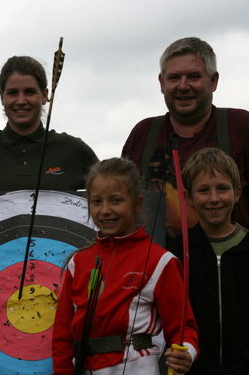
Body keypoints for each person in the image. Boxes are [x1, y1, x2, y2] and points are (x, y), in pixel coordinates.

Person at [122, 37, 249, 261]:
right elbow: (123, 207)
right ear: (161, 83)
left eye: (194, 76)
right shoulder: (143, 134)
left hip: (233, 275)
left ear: (213, 81)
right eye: (174, 77)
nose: (183, 86)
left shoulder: (242, 126)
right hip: (155, 282)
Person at [52, 158, 198, 375]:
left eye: (116, 200)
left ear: (137, 204)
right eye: (97, 201)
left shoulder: (161, 261)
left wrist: (185, 352)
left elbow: (182, 327)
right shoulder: (78, 262)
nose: (105, 210)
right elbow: (62, 336)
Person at [167, 147, 249, 374]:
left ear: (237, 193)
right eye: (203, 190)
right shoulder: (178, 253)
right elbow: (174, 326)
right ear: (188, 197)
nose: (214, 199)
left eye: (222, 188)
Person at [0, 55, 98, 191]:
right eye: (13, 93)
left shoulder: (73, 150)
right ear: (2, 97)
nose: (21, 101)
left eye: (29, 92)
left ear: (45, 95)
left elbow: (111, 192)